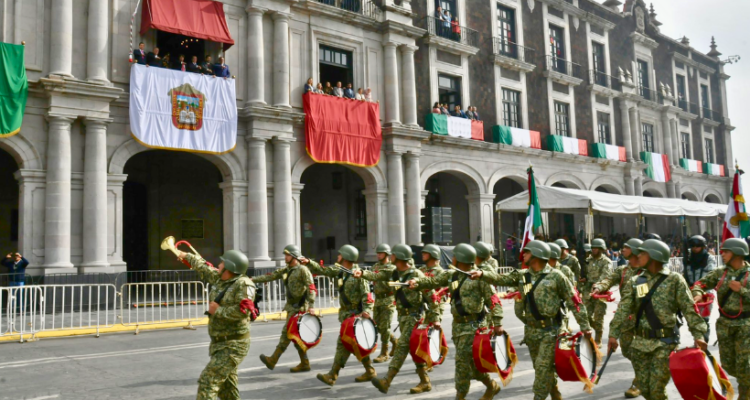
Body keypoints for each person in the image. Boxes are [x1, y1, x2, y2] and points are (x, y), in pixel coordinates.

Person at [469, 240, 590, 400]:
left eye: (527, 251)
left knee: (541, 369)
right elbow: (500, 278)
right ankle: (554, 392)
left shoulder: (556, 276)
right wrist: (483, 274)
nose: (523, 254)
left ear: (537, 255)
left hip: (550, 331)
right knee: (541, 368)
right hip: (532, 331)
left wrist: (585, 326)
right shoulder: (523, 276)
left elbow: (575, 302)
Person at [608, 239, 707, 400]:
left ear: (654, 256)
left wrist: (699, 335)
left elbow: (689, 309)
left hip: (664, 343)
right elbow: (623, 309)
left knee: (656, 390)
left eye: (642, 253)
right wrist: (613, 334)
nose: (638, 255)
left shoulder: (674, 280)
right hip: (640, 343)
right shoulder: (637, 281)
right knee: (645, 389)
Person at [407, 243, 503, 400]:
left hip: (474, 326)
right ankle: (491, 386)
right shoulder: (452, 275)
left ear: (461, 259)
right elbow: (432, 282)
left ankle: (460, 395)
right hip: (458, 326)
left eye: (454, 256)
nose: (452, 258)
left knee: (461, 365)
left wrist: (497, 322)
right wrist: (416, 283)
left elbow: (493, 299)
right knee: (471, 365)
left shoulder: (479, 277)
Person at [355, 244, 439, 394]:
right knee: (413, 350)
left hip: (415, 317)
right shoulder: (393, 273)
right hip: (402, 317)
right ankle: (425, 381)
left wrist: (435, 319)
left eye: (393, 254)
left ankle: (386, 380)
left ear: (399, 257)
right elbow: (376, 276)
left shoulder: (416, 274)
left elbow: (432, 296)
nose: (390, 256)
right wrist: (361, 273)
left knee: (401, 348)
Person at [177, 249, 258, 400]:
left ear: (229, 267)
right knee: (227, 390)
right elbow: (203, 267)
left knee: (208, 382)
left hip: (233, 344)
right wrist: (185, 255)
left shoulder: (244, 285)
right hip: (220, 343)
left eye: (222, 263)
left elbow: (244, 312)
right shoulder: (220, 279)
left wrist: (218, 311)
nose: (218, 265)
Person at [301, 245, 377, 386]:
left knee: (343, 343)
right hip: (346, 315)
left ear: (346, 257)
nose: (338, 257)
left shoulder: (359, 275)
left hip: (355, 316)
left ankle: (332, 375)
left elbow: (367, 295)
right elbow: (323, 270)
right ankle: (369, 370)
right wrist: (309, 262)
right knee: (354, 344)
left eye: (340, 255)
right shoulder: (340, 271)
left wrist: (367, 310)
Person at [691, 238, 750, 399]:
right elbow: (700, 284)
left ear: (737, 253)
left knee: (745, 365)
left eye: (726, 251)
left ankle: (745, 394)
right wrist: (698, 293)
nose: (722, 254)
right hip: (724, 324)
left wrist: (741, 290)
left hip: (745, 325)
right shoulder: (720, 273)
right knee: (728, 365)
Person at [592, 238, 644, 398]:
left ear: (635, 251)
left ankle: (639, 380)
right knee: (628, 349)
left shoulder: (646, 271)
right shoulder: (623, 270)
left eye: (626, 247)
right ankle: (644, 371)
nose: (622, 250)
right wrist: (599, 286)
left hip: (644, 318)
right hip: (626, 316)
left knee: (641, 350)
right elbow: (609, 280)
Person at [254, 245, 316, 373]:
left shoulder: (303, 270)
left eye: (287, 255)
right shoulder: (287, 270)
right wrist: (252, 279)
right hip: (291, 307)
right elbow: (270, 276)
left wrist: (311, 306)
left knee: (287, 333)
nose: (285, 257)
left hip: (300, 307)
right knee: (294, 336)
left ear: (293, 256)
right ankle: (305, 363)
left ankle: (273, 360)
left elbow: (311, 288)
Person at [682, 235, 717, 342]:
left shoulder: (709, 258)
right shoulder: (687, 258)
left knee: (704, 319)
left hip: (704, 291)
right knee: (693, 320)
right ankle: (697, 340)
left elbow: (711, 274)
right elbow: (684, 274)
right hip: (690, 291)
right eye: (692, 246)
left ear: (703, 247)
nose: (694, 248)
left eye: (697, 246)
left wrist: (699, 287)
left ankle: (703, 341)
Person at [367, 244, 398, 364]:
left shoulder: (391, 267)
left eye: (380, 253)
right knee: (378, 326)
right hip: (378, 299)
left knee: (385, 326)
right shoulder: (375, 266)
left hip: (388, 299)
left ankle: (384, 352)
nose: (378, 255)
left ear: (386, 254)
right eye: (377, 253)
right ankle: (395, 341)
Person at [582, 238, 612, 347]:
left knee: (599, 316)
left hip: (600, 292)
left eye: (596, 248)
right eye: (592, 248)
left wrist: (598, 285)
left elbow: (606, 275)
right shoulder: (588, 260)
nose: (594, 250)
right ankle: (594, 330)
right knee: (586, 316)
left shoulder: (606, 262)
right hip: (588, 291)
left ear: (601, 249)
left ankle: (598, 338)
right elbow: (584, 274)